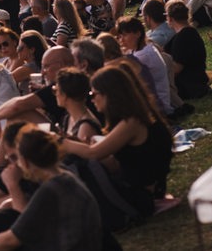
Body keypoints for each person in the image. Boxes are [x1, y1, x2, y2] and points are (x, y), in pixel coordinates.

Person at [0, 125, 102, 251]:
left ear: (24, 160)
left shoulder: (52, 189)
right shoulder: (64, 178)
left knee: (2, 222)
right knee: (2, 217)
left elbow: (12, 238)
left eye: (15, 158)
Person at [62, 66, 173, 218]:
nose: (92, 99)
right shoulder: (134, 118)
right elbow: (115, 162)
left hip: (140, 199)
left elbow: (93, 153)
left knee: (76, 163)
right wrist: (79, 145)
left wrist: (62, 142)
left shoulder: (131, 122)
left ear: (110, 94)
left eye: (94, 94)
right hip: (140, 192)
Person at [163, 0, 209, 100]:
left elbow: (177, 68)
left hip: (189, 86)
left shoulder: (183, 37)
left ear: (170, 18)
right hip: (197, 82)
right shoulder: (189, 32)